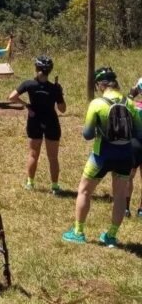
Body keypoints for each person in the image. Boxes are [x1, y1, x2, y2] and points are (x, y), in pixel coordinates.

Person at [62, 67, 142, 247]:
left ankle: (78, 232)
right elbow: (138, 131)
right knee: (120, 196)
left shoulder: (97, 104)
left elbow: (87, 134)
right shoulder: (129, 103)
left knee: (84, 191)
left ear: (101, 84)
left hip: (102, 154)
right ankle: (111, 236)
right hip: (125, 154)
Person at [8, 56, 66, 193]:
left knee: (33, 154)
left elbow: (11, 97)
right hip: (51, 122)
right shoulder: (54, 88)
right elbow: (62, 109)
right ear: (49, 71)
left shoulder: (28, 84)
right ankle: (55, 187)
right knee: (53, 157)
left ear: (36, 69)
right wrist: (60, 93)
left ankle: (30, 183)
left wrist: (27, 105)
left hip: (34, 120)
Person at [125, 77, 142, 217]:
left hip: (135, 142)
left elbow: (122, 108)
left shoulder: (132, 104)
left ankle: (125, 208)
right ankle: (141, 210)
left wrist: (131, 94)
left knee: (129, 176)